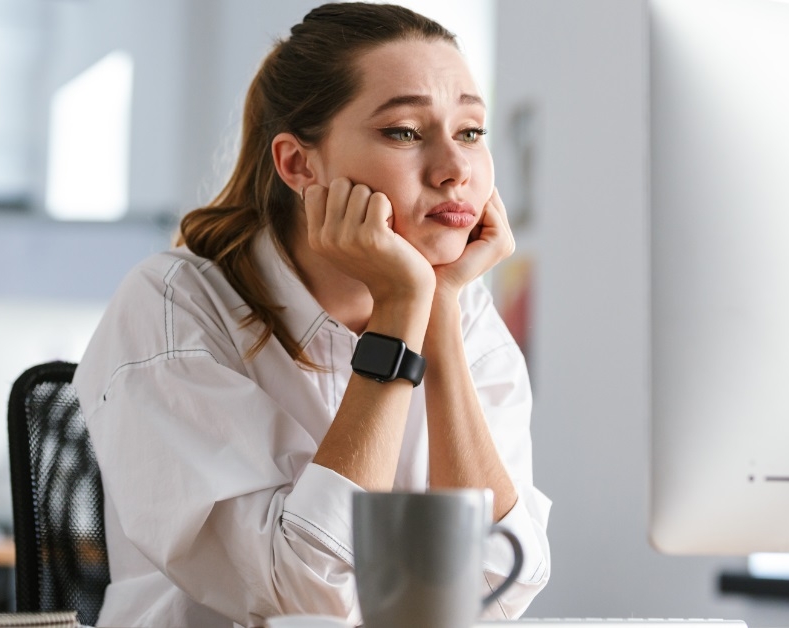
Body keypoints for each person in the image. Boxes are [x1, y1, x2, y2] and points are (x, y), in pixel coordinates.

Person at [73, 3, 552, 626]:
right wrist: (400, 315)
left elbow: (499, 584)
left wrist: (437, 311)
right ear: (300, 165)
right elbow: (304, 597)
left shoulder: (462, 310)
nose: (455, 171)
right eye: (405, 131)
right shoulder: (174, 309)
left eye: (469, 132)